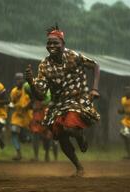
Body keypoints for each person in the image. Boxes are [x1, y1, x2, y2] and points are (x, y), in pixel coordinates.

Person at [25, 24, 100, 176]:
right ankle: (79, 167)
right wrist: (32, 83)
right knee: (61, 136)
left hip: (77, 99)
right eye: (49, 43)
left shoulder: (73, 56)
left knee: (70, 127)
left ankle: (80, 137)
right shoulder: (44, 66)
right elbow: (40, 95)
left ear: (63, 44)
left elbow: (95, 66)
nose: (51, 45)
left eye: (55, 43)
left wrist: (94, 89)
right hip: (58, 104)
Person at [24, 81, 58, 162]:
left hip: (46, 113)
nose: (29, 94)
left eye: (30, 92)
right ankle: (36, 156)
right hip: (37, 116)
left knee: (48, 136)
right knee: (35, 133)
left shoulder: (45, 91)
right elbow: (31, 103)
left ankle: (47, 154)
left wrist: (44, 104)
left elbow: (49, 100)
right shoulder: (30, 92)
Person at [10, 73, 33, 161]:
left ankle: (27, 139)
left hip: (27, 116)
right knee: (14, 132)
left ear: (23, 80)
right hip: (17, 115)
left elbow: (33, 99)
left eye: (20, 79)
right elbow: (13, 102)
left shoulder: (28, 89)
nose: (18, 81)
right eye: (16, 79)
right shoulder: (13, 91)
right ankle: (18, 153)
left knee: (23, 138)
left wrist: (28, 106)